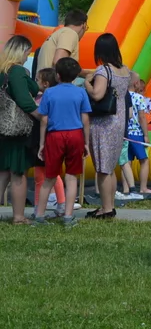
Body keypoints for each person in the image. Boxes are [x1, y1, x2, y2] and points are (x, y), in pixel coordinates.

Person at [32, 57, 90, 226]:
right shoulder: (80, 92)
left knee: (49, 177)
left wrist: (42, 144)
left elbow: (44, 120)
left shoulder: (49, 93)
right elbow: (85, 119)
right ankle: (68, 216)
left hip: (55, 136)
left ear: (57, 76)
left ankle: (40, 216)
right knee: (72, 178)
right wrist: (86, 142)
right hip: (75, 135)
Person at [86, 33, 133, 219]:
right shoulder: (124, 70)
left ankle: (106, 209)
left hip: (103, 123)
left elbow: (97, 95)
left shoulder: (103, 71)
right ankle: (109, 205)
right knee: (111, 166)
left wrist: (87, 85)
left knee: (103, 168)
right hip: (119, 120)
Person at [0, 36, 38, 225]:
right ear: (21, 51)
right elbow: (25, 101)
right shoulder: (17, 72)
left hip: (2, 127)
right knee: (18, 173)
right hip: (17, 130)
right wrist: (43, 117)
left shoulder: (2, 71)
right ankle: (19, 216)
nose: (27, 56)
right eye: (27, 52)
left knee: (2, 172)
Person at [33, 68, 75, 214]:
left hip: (45, 140)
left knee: (42, 175)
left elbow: (44, 119)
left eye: (37, 80)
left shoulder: (44, 98)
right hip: (50, 140)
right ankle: (61, 203)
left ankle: (40, 208)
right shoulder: (48, 97)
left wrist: (42, 144)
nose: (35, 82)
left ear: (45, 83)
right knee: (49, 174)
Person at [36, 9, 92, 79]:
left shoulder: (59, 33)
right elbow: (60, 63)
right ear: (83, 25)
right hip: (54, 86)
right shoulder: (70, 33)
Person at [126, 80, 151, 196]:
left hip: (125, 133)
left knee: (126, 161)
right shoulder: (138, 97)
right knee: (144, 160)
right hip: (136, 133)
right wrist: (146, 135)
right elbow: (142, 116)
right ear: (136, 83)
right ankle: (143, 187)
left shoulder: (121, 96)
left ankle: (126, 188)